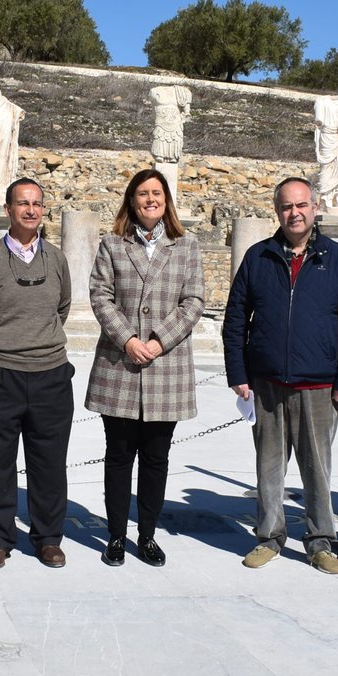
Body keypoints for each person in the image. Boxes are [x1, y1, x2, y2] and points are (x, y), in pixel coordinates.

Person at [223, 176, 338, 573]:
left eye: (302, 205)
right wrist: (238, 372)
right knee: (269, 467)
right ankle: (269, 537)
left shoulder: (337, 259)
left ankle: (320, 540)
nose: (295, 213)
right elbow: (236, 318)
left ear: (315, 207)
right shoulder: (258, 257)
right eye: (287, 206)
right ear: (277, 211)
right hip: (267, 381)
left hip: (320, 384)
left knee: (317, 469)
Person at [85, 169, 204, 567]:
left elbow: (193, 301)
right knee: (118, 456)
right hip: (121, 365)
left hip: (165, 367)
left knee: (156, 458)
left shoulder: (186, 245)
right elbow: (100, 296)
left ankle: (147, 535)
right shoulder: (112, 244)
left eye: (156, 193)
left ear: (167, 199)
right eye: (142, 194)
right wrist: (130, 340)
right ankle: (116, 535)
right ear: (131, 201)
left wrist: (156, 342)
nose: (150, 199)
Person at [0, 177, 74, 569]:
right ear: (8, 210)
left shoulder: (56, 259)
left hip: (49, 375)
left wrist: (37, 341)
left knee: (49, 463)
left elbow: (62, 307)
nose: (30, 210)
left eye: (37, 203)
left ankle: (48, 538)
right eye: (22, 203)